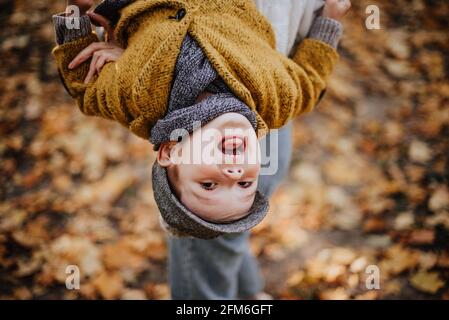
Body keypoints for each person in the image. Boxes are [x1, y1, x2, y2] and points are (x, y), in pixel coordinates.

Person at [52, 0, 350, 240]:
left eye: (208, 185)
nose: (234, 173)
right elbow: (310, 81)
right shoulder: (274, 101)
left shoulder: (138, 99)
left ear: (171, 151)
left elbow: (85, 91)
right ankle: (245, 291)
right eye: (246, 183)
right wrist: (331, 18)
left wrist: (76, 13)